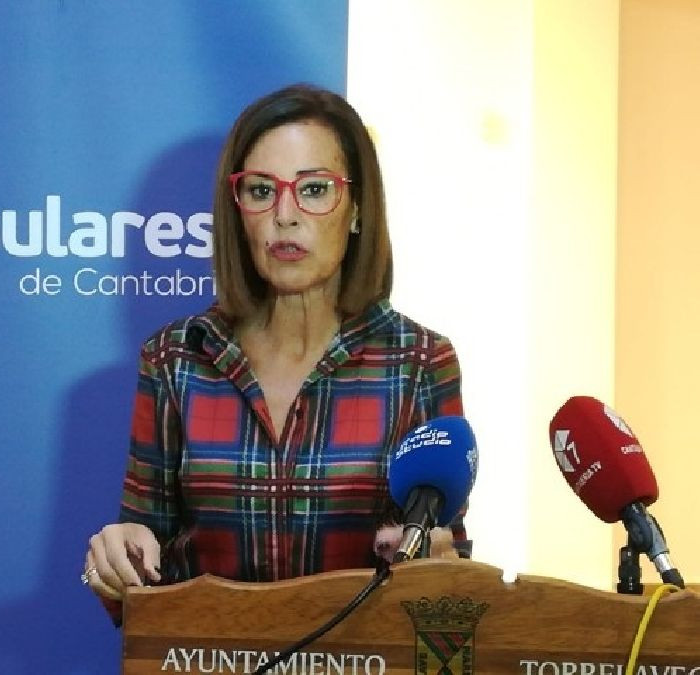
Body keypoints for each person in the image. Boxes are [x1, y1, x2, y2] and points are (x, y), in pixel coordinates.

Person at [82, 83, 469, 623]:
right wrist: (116, 564)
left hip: (360, 657)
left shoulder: (420, 363)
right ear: (237, 210)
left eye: (314, 189)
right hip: (207, 655)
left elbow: (448, 575)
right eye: (261, 190)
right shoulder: (175, 359)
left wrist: (439, 565)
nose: (285, 214)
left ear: (357, 210)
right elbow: (139, 584)